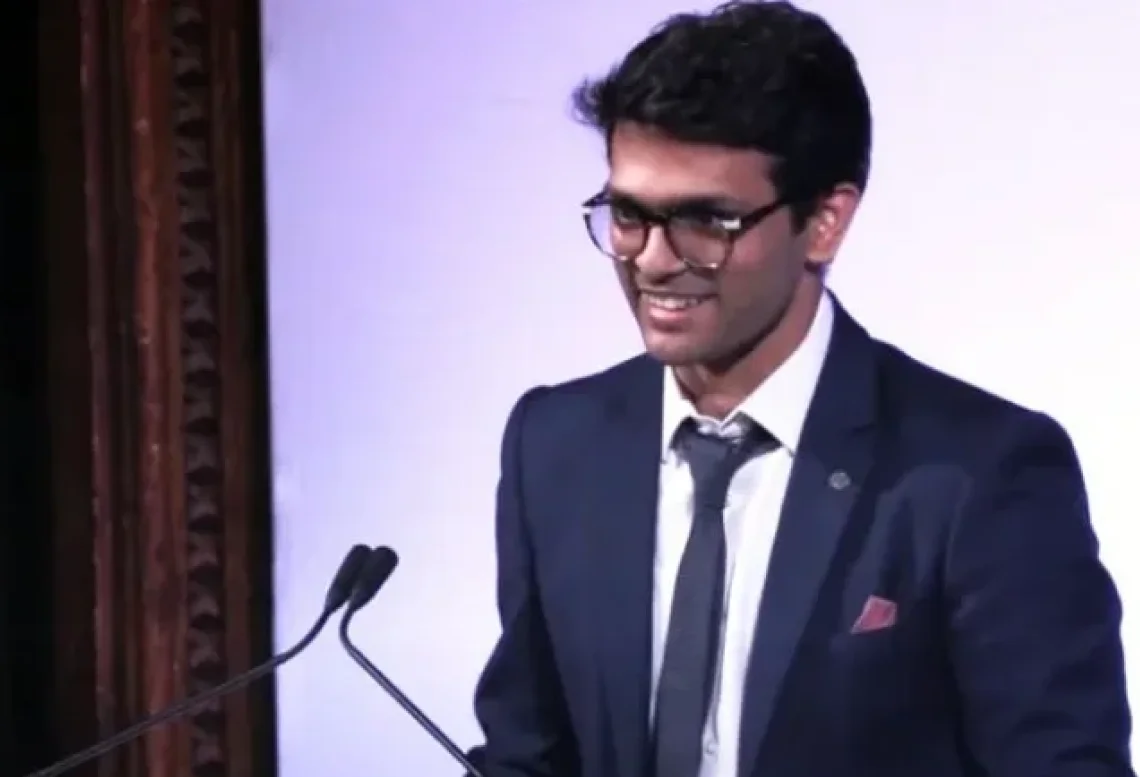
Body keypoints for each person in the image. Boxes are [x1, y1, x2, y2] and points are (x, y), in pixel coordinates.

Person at [466, 2, 1134, 776]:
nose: (651, 259)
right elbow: (527, 754)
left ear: (824, 222)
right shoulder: (555, 445)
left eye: (706, 221)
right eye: (628, 214)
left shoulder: (981, 475)